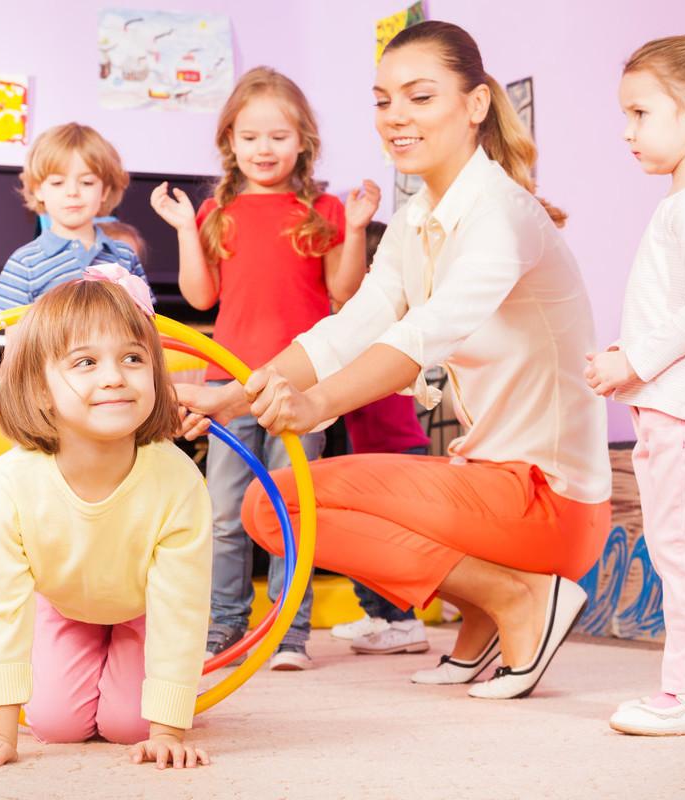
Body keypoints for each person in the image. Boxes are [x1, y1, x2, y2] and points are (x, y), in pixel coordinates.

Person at [177, 20, 612, 700]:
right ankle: (483, 615)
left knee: (274, 508)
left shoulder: (500, 213)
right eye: (382, 100)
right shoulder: (416, 219)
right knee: (270, 507)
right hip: (492, 484)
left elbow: (423, 337)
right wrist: (232, 396)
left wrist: (315, 404)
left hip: (548, 501)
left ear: (474, 106)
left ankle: (520, 596)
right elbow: (351, 325)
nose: (395, 118)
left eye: (419, 97)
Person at [0, 274, 212, 769]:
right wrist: (2, 734)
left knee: (130, 727)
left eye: (133, 358)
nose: (114, 377)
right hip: (66, 604)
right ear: (40, 390)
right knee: (55, 725)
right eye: (85, 363)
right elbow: (0, 603)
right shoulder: (9, 480)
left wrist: (168, 729)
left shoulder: (177, 478)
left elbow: (182, 607)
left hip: (142, 609)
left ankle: (137, 675)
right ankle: (88, 656)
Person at [151, 66, 370, 670]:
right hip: (228, 384)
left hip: (299, 386)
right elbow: (199, 298)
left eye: (278, 136)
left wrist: (353, 232)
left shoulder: (321, 208)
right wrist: (182, 230)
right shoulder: (217, 212)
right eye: (249, 137)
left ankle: (288, 632)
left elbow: (344, 292)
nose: (264, 149)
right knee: (223, 512)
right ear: (230, 142)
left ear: (303, 141)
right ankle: (224, 625)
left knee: (290, 507)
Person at [585, 33, 685, 736]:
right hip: (676, 407)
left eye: (640, 114)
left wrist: (632, 362)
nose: (627, 131)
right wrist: (628, 356)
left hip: (683, 413)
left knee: (680, 549)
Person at [331, 220, 436, 658]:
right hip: (376, 449)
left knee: (382, 544)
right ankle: (379, 616)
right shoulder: (367, 322)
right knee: (360, 541)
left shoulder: (382, 324)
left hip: (395, 451)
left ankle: (403, 623)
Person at [0, 123, 149, 314]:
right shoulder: (24, 262)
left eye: (87, 182)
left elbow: (146, 325)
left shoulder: (125, 255)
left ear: (104, 191)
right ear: (38, 190)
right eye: (57, 183)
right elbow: (15, 341)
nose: (72, 192)